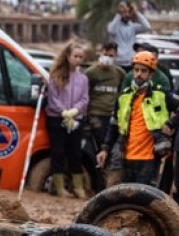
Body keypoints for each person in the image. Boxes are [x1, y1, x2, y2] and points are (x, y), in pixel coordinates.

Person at [97, 51, 179, 186]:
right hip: (125, 157)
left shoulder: (161, 94)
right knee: (123, 199)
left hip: (150, 158)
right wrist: (105, 149)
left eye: (143, 71)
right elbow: (114, 125)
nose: (139, 74)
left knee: (145, 202)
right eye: (136, 70)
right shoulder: (124, 96)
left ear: (151, 74)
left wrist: (171, 123)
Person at [44, 42, 89, 198]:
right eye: (75, 56)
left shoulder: (83, 78)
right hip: (57, 119)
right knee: (58, 152)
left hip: (76, 119)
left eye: (80, 57)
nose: (78, 59)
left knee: (75, 153)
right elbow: (53, 98)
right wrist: (63, 112)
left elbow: (85, 98)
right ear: (68, 56)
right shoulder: (56, 75)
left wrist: (75, 111)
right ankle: (59, 187)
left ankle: (78, 187)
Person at [85, 42, 126, 193]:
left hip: (113, 117)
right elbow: (85, 94)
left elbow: (122, 93)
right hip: (97, 116)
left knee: (110, 152)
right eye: (106, 54)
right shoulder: (91, 72)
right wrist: (88, 117)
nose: (108, 58)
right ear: (101, 52)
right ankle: (97, 186)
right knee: (98, 152)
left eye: (111, 55)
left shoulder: (119, 73)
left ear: (115, 55)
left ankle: (108, 187)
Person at [107, 0, 151, 71]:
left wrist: (136, 12)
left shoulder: (133, 27)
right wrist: (119, 14)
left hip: (131, 63)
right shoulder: (113, 25)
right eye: (124, 12)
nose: (126, 15)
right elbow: (111, 31)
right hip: (117, 63)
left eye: (128, 12)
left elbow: (147, 27)